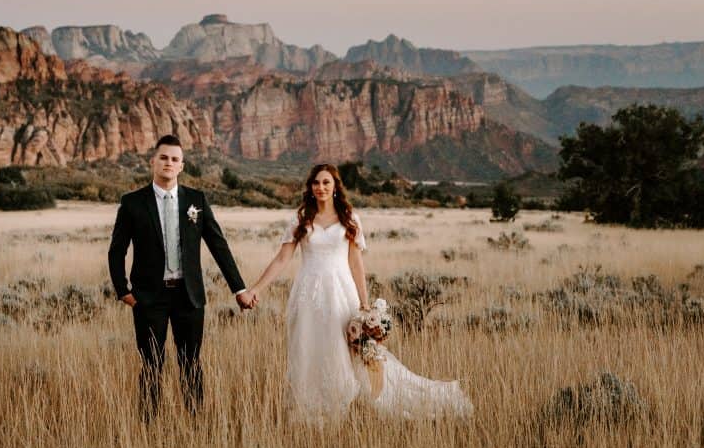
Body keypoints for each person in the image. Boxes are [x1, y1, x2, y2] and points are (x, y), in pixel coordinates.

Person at [244, 163, 472, 423]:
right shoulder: (300, 218)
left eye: (326, 183)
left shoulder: (349, 218)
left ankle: (343, 405)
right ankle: (309, 411)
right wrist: (255, 289)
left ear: (335, 187)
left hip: (341, 294)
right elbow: (282, 259)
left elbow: (356, 263)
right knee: (308, 349)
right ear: (310, 187)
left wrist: (365, 305)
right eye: (316, 183)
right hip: (308, 295)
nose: (320, 187)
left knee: (345, 353)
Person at [108, 135, 256, 421]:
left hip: (189, 296)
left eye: (174, 159)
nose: (168, 163)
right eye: (163, 157)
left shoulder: (196, 200)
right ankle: (149, 425)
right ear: (153, 161)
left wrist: (239, 288)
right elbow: (117, 250)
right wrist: (122, 290)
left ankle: (195, 424)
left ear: (182, 166)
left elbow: (218, 245)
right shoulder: (132, 203)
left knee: (191, 363)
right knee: (151, 364)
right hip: (149, 298)